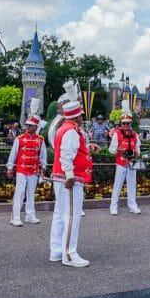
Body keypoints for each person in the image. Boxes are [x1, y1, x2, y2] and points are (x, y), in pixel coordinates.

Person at [49, 100, 99, 267]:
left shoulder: (65, 128)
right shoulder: (71, 130)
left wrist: (88, 147)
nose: (82, 117)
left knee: (60, 215)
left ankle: (56, 250)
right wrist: (70, 175)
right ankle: (69, 254)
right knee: (71, 215)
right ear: (77, 116)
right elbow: (66, 155)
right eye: (81, 115)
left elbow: (70, 151)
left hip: (61, 176)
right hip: (70, 178)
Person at [6, 114, 47, 226]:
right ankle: (15, 217)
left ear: (36, 127)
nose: (28, 127)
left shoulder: (40, 140)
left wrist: (43, 167)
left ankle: (30, 215)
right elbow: (13, 154)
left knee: (30, 193)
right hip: (21, 169)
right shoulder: (19, 139)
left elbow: (42, 155)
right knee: (19, 192)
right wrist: (10, 167)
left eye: (31, 126)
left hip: (33, 170)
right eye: (27, 125)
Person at [108, 112, 142, 215]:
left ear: (131, 123)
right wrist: (118, 150)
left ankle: (132, 206)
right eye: (124, 123)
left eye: (128, 123)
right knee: (118, 185)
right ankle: (113, 207)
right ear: (121, 124)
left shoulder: (135, 134)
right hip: (121, 162)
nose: (126, 125)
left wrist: (137, 152)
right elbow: (111, 149)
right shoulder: (117, 134)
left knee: (132, 185)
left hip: (132, 162)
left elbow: (138, 147)